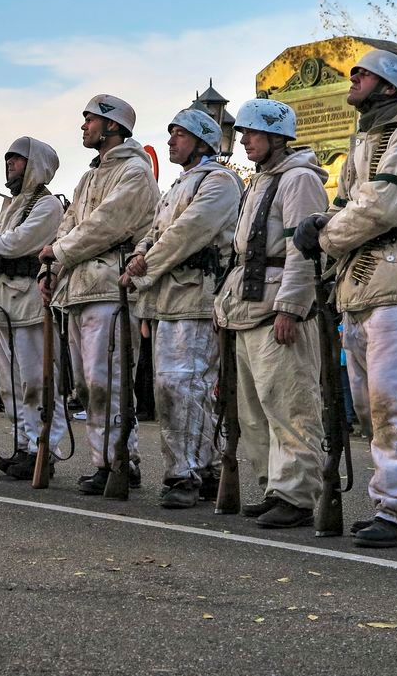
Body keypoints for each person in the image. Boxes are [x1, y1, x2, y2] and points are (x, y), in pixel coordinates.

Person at [293, 48, 397, 548]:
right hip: (362, 283)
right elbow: (348, 204)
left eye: (362, 73)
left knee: (394, 403)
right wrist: (326, 224)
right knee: (369, 405)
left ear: (390, 84)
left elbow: (380, 206)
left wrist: (323, 236)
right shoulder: (364, 140)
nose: (353, 79)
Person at [214, 99, 328, 528]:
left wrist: (292, 307)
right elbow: (242, 254)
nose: (244, 140)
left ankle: (296, 494)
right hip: (247, 304)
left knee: (290, 405)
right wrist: (223, 303)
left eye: (253, 133)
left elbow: (303, 249)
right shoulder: (261, 181)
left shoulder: (298, 180)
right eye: (243, 133)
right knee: (253, 410)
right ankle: (273, 485)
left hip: (276, 303)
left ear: (277, 136)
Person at [39, 94, 159, 496]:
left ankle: (122, 460)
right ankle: (104, 460)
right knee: (90, 385)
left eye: (89, 120)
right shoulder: (89, 177)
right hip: (80, 289)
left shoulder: (135, 172)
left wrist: (58, 253)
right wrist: (50, 267)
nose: (84, 127)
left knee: (109, 380)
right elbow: (69, 224)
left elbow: (104, 226)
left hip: (111, 287)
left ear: (112, 125)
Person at [123, 108, 241, 509]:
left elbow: (186, 233)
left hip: (196, 295)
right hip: (168, 299)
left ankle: (185, 474)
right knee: (177, 387)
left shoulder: (219, 181)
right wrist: (139, 256)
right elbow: (154, 233)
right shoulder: (177, 185)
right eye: (171, 133)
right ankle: (200, 467)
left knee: (184, 386)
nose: (171, 140)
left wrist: (144, 268)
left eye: (179, 134)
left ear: (203, 141)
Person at [0, 136, 68, 481]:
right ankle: (23, 445)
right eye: (8, 160)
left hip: (29, 298)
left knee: (35, 379)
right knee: (8, 382)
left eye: (17, 160)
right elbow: (2, 245)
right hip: (4, 297)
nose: (10, 165)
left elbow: (16, 242)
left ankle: (42, 449)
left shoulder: (47, 205)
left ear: (34, 164)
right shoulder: (12, 205)